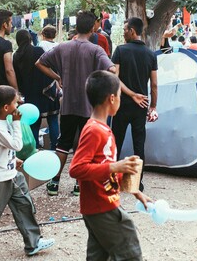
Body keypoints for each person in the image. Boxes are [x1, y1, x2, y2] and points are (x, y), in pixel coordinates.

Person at [69, 71, 151, 261]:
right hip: (101, 205)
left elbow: (107, 167)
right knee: (128, 244)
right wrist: (115, 167)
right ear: (112, 98)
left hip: (102, 203)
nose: (120, 101)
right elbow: (77, 169)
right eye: (121, 97)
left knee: (99, 255)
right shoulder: (94, 130)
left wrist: (136, 191)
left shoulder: (104, 129)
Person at [0, 86, 55, 258]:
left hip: (12, 174)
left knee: (24, 206)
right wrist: (16, 123)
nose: (19, 104)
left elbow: (2, 150)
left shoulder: (4, 123)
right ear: (6, 107)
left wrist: (13, 160)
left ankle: (33, 243)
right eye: (16, 102)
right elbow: (16, 145)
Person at [36, 11, 115, 196]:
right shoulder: (96, 50)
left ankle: (54, 182)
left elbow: (39, 63)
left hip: (68, 104)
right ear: (91, 28)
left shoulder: (63, 47)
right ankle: (80, 184)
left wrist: (58, 77)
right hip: (89, 106)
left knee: (63, 143)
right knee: (84, 145)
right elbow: (111, 69)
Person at [111, 18, 158, 192]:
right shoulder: (150, 54)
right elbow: (154, 84)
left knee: (116, 141)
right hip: (141, 105)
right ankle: (137, 182)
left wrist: (130, 94)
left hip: (121, 105)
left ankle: (112, 180)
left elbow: (115, 78)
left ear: (132, 31)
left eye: (124, 29)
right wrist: (152, 106)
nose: (123, 32)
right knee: (139, 144)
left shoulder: (120, 51)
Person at [13, 30, 59, 151]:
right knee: (53, 119)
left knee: (33, 122)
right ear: (29, 39)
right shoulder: (37, 50)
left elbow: (16, 76)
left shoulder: (16, 56)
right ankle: (55, 147)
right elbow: (49, 66)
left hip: (30, 93)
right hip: (47, 91)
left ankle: (34, 148)